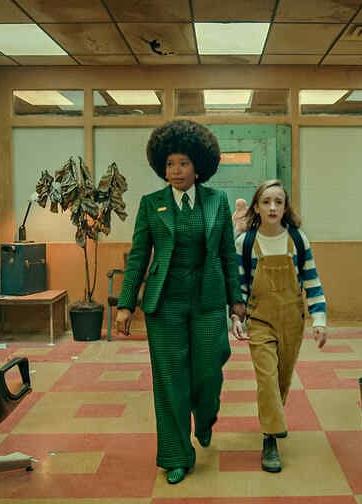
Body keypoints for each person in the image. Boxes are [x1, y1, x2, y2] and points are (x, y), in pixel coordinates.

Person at [114, 119, 245, 485]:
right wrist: (126, 305)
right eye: (170, 163)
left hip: (208, 301)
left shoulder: (216, 201)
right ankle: (176, 455)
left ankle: (205, 417)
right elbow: (138, 256)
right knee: (170, 380)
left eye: (183, 163)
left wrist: (236, 301)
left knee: (209, 370)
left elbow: (227, 254)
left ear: (198, 165)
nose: (176, 170)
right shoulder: (151, 204)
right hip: (165, 304)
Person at [232, 179, 327, 474]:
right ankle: (270, 438)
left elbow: (312, 282)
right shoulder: (245, 243)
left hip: (292, 321)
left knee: (282, 380)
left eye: (278, 202)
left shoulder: (298, 240)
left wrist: (319, 319)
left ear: (285, 208)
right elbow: (240, 286)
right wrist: (236, 318)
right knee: (267, 379)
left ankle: (271, 425)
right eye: (266, 202)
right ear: (256, 207)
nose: (272, 207)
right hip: (260, 320)